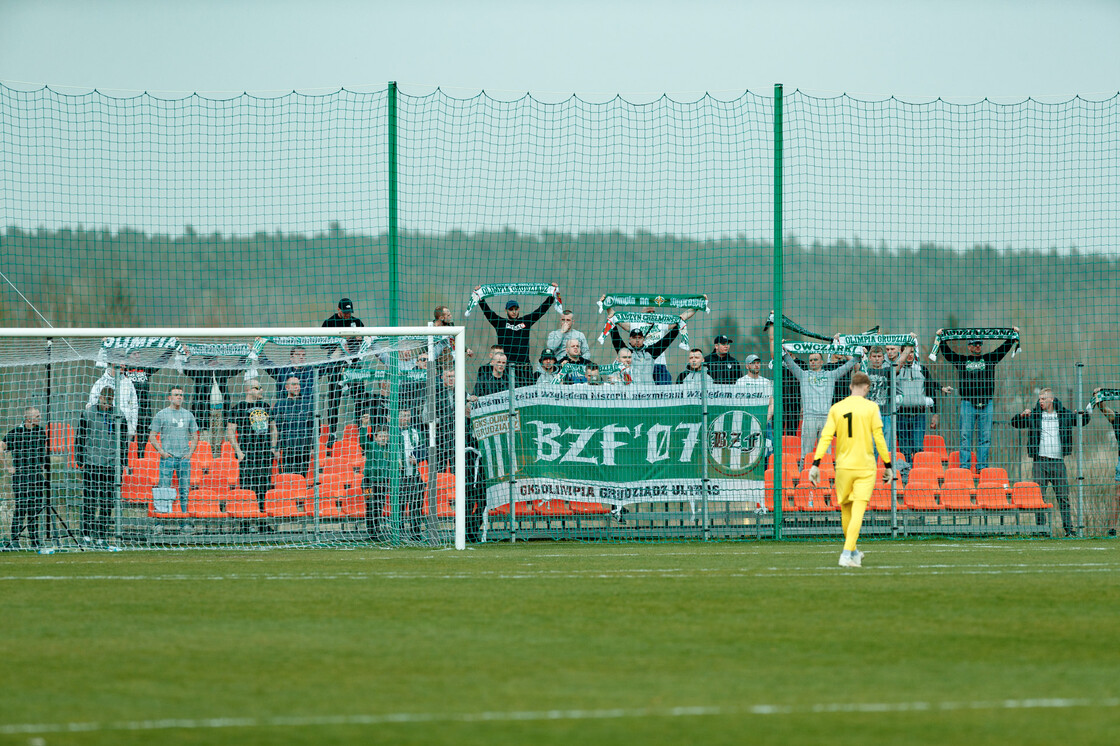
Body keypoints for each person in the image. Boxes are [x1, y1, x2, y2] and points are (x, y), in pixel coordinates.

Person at [808, 371, 893, 568]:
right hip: (865, 466)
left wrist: (815, 464)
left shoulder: (837, 408)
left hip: (843, 467)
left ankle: (853, 552)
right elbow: (879, 437)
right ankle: (846, 554)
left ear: (850, 387)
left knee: (846, 509)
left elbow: (826, 437)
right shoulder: (871, 407)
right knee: (858, 510)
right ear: (867, 388)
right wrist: (888, 465)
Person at [1010, 388, 1090, 537]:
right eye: (1039, 399)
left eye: (1043, 399)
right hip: (1040, 461)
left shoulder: (1064, 415)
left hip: (1058, 462)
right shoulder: (1034, 415)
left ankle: (1069, 530)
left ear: (1051, 399)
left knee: (1063, 497)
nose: (1040, 401)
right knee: (1039, 497)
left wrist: (1083, 413)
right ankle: (1042, 529)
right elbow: (1015, 423)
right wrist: (1021, 415)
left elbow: (1083, 421)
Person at [939, 328, 1019, 472]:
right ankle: (964, 467)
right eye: (975, 344)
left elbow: (1003, 349)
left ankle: (982, 467)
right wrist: (941, 339)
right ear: (969, 346)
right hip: (968, 403)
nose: (978, 346)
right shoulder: (962, 360)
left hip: (986, 403)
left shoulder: (989, 359)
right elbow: (948, 354)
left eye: (980, 344)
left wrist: (1012, 336)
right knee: (965, 437)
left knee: (985, 437)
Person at [783, 349, 862, 456]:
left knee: (826, 453)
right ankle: (803, 471)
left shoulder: (831, 375)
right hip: (809, 417)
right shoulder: (803, 375)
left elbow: (846, 367)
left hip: (826, 418)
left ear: (821, 362)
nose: (813, 362)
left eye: (815, 359)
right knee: (806, 453)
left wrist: (858, 356)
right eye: (810, 360)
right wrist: (783, 351)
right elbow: (790, 363)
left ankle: (826, 472)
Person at [76, 388, 129, 543]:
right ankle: (86, 533)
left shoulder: (118, 415)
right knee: (89, 501)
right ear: (99, 398)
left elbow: (124, 440)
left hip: (111, 465)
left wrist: (122, 462)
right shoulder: (88, 414)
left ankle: (101, 535)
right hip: (92, 463)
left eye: (110, 402)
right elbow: (80, 437)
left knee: (107, 502)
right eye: (105, 402)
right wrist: (80, 460)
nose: (107, 405)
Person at [475, 284, 557, 381]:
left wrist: (552, 295)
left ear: (518, 309)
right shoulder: (500, 323)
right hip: (507, 369)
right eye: (511, 309)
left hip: (524, 369)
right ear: (506, 311)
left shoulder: (526, 321)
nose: (514, 312)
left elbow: (540, 310)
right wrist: (480, 297)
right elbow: (487, 312)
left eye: (516, 309)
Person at [226, 378, 275, 531]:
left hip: (265, 453)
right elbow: (230, 431)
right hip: (247, 454)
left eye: (261, 387)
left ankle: (262, 522)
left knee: (263, 487)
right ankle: (245, 522)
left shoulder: (265, 406)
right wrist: (238, 451)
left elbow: (274, 428)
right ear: (248, 390)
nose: (260, 390)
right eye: (257, 387)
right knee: (247, 487)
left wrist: (273, 447)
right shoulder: (238, 408)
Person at [608, 304, 698, 385]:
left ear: (643, 339)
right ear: (629, 339)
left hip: (658, 365)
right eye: (634, 338)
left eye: (639, 338)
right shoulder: (627, 350)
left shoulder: (650, 351)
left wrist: (697, 305)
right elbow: (615, 331)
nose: (637, 340)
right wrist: (607, 306)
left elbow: (669, 337)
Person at [147, 387, 200, 521]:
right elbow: (152, 436)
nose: (179, 397)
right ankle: (160, 523)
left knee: (184, 491)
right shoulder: (161, 414)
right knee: (163, 490)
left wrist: (189, 453)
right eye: (176, 395)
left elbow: (195, 436)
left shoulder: (188, 414)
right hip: (168, 458)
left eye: (181, 395)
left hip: (184, 459)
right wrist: (162, 452)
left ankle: (184, 522)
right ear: (169, 398)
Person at [1, 407, 49, 550]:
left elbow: (44, 451)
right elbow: (1, 447)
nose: (39, 418)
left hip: (36, 475)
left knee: (35, 508)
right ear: (28, 418)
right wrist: (8, 467)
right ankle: (15, 540)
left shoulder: (40, 432)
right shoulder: (15, 433)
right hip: (21, 475)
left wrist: (42, 466)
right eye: (37, 416)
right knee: (21, 507)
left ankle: (35, 539)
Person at [321, 297, 366, 444]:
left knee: (359, 397)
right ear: (338, 309)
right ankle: (332, 433)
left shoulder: (357, 322)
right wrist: (340, 339)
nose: (348, 315)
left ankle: (362, 431)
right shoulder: (328, 323)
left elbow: (366, 340)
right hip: (336, 366)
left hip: (354, 366)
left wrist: (360, 338)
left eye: (349, 312)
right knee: (334, 399)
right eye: (345, 312)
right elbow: (322, 345)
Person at [894, 345, 941, 462]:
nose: (909, 355)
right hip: (901, 415)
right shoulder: (895, 370)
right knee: (904, 449)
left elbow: (930, 389)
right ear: (901, 352)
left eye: (912, 352)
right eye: (907, 352)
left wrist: (934, 413)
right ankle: (906, 476)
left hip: (919, 415)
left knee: (918, 448)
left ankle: (917, 475)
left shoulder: (922, 369)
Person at [271, 375, 315, 478]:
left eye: (298, 384)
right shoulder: (280, 405)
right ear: (287, 387)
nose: (297, 387)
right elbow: (276, 428)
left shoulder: (308, 404)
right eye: (294, 384)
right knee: (289, 478)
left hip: (304, 448)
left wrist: (313, 446)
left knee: (302, 478)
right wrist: (276, 448)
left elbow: (313, 427)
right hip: (288, 448)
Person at [1092, 389, 1120, 537]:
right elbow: (1103, 409)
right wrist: (1099, 396)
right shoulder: (1117, 418)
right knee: (1118, 495)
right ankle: (1112, 529)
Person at [358, 418, 391, 538]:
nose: (383, 438)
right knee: (370, 505)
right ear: (376, 437)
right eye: (381, 436)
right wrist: (364, 426)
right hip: (368, 482)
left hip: (382, 483)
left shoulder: (390, 449)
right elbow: (362, 441)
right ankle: (371, 532)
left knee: (379, 506)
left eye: (385, 436)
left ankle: (377, 531)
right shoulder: (371, 446)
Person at [87, 364, 139, 439]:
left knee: (123, 450)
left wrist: (133, 427)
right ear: (113, 363)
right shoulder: (100, 383)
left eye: (124, 364)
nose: (124, 366)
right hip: (104, 427)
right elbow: (92, 404)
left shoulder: (128, 383)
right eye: (122, 364)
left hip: (124, 426)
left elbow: (134, 406)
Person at [396, 408, 425, 539]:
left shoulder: (415, 432)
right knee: (400, 506)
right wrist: (396, 462)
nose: (406, 418)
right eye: (403, 416)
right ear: (397, 417)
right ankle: (399, 533)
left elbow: (423, 448)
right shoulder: (393, 433)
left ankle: (415, 533)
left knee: (416, 505)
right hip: (399, 477)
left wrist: (417, 458)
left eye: (408, 416)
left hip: (414, 475)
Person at [864, 346, 896, 458]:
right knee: (871, 446)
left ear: (883, 357)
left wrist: (909, 345)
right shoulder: (865, 371)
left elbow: (901, 362)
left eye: (879, 356)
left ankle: (884, 471)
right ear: (869, 358)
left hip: (885, 413)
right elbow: (854, 363)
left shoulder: (888, 371)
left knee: (885, 447)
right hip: (870, 415)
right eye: (874, 356)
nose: (877, 359)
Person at [736, 354, 774, 422]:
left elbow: (771, 402)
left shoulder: (766, 382)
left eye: (758, 363)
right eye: (753, 363)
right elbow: (737, 403)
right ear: (747, 366)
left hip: (763, 418)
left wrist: (766, 419)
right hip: (745, 418)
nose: (756, 365)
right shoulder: (740, 382)